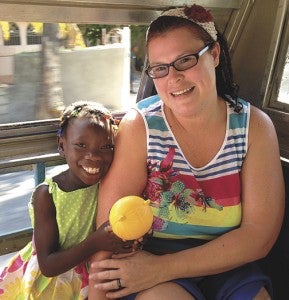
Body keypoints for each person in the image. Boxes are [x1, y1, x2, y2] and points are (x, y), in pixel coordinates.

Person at [89, 3, 285, 300]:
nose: (174, 78)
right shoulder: (141, 127)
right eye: (160, 68)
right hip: (149, 265)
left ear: (215, 55)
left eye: (186, 60)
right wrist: (98, 293)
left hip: (228, 264)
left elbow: (258, 237)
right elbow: (109, 229)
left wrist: (164, 268)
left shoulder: (254, 127)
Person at [0, 101, 133, 299]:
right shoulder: (47, 195)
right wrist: (95, 243)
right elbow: (47, 265)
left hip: (89, 280)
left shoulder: (109, 184)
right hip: (51, 287)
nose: (93, 156)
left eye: (106, 146)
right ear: (62, 146)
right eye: (81, 145)